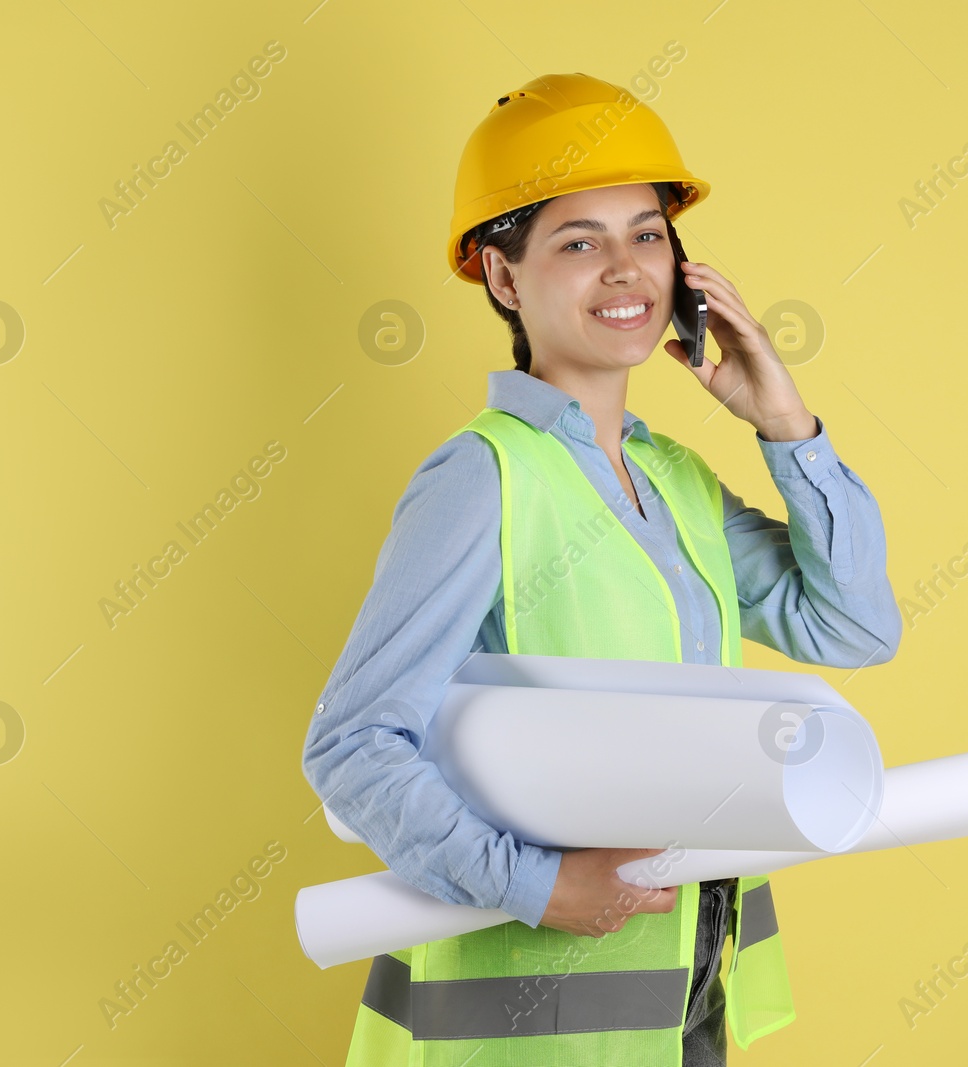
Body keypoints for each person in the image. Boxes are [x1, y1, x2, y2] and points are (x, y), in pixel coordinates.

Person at [303, 73, 903, 1067]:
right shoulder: (483, 476)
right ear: (501, 277)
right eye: (578, 242)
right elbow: (353, 743)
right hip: (531, 1029)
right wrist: (538, 887)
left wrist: (787, 429)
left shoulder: (671, 479)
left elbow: (852, 627)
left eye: (647, 233)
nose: (626, 270)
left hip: (685, 997)